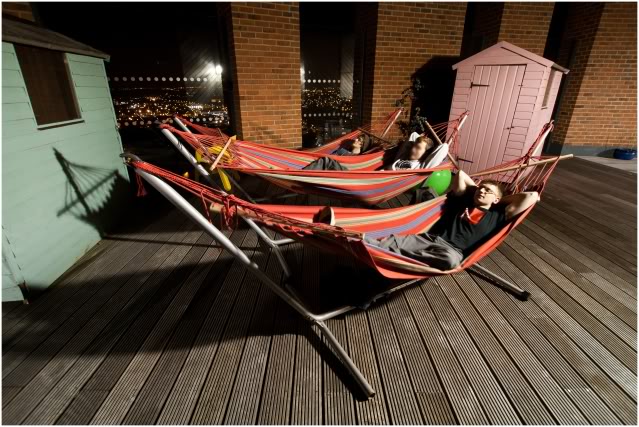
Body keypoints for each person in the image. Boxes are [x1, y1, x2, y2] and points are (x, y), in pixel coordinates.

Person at [316, 169, 540, 270]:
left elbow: (532, 196)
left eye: (487, 191)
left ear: (497, 199)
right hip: (429, 239)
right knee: (389, 241)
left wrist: (498, 200)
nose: (482, 191)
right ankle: (339, 231)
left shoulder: (498, 215)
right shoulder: (462, 201)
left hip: (452, 251)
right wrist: (479, 190)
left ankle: (392, 255)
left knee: (450, 262)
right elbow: (461, 175)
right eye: (480, 188)